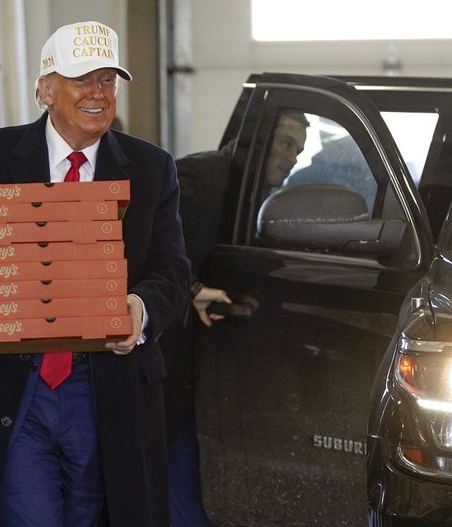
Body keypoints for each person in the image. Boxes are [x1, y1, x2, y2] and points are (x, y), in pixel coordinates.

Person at [0, 20, 190, 527]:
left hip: (106, 383)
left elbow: (173, 269)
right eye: (82, 78)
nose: (98, 93)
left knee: (93, 513)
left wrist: (141, 307)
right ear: (45, 89)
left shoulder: (153, 169)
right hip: (14, 383)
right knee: (31, 514)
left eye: (108, 80)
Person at [161, 111, 309, 525]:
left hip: (208, 360)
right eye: (285, 143)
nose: (292, 157)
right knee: (175, 464)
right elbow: (151, 252)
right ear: (257, 140)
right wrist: (192, 289)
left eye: (298, 149)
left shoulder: (252, 191)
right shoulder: (202, 177)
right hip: (164, 357)